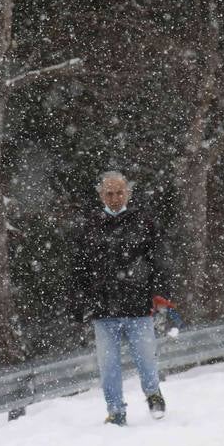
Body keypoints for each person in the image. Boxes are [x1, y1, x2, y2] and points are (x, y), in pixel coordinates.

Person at [74, 171, 174, 426]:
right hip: (102, 307)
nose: (115, 198)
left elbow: (159, 260)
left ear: (128, 193)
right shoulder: (89, 227)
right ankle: (115, 411)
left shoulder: (144, 222)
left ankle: (153, 394)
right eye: (109, 193)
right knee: (108, 366)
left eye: (119, 192)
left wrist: (160, 292)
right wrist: (77, 302)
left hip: (137, 304)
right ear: (101, 195)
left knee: (146, 357)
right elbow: (79, 269)